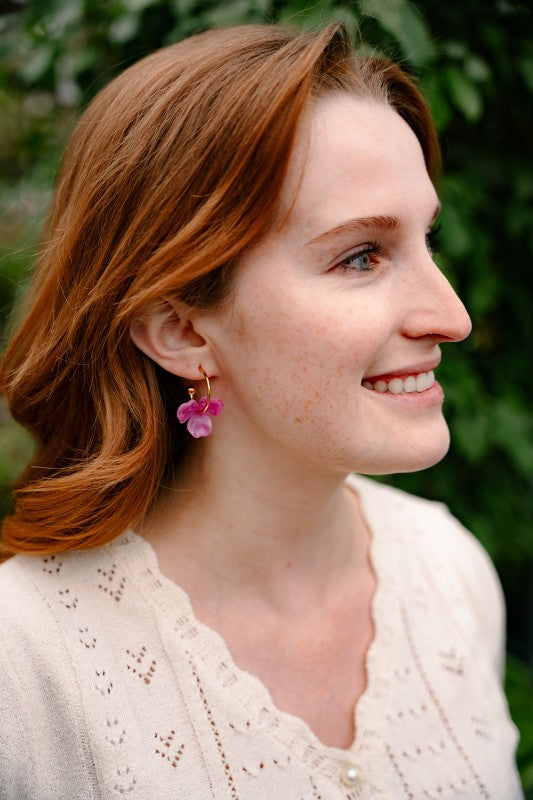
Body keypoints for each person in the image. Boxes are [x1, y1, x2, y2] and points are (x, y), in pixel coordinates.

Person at [0, 22, 523, 800]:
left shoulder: (447, 572)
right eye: (361, 256)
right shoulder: (25, 666)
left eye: (427, 240)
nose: (452, 316)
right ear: (182, 331)